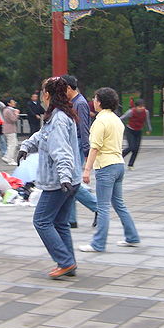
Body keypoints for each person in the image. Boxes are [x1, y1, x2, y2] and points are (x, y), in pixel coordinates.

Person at [17, 77, 81, 279]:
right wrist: (26, 146)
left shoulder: (59, 119)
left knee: (42, 221)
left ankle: (66, 261)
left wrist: (64, 178)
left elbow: (62, 151)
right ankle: (68, 262)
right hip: (69, 178)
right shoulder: (57, 116)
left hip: (59, 181)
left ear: (47, 94)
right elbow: (42, 136)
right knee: (60, 222)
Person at [79, 87, 140, 252]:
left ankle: (98, 244)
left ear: (100, 102)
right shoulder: (116, 119)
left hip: (106, 166)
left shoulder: (100, 121)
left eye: (95, 98)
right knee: (119, 204)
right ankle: (132, 236)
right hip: (119, 164)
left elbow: (95, 148)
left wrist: (86, 170)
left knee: (103, 206)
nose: (93, 101)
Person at [61, 75, 98, 228]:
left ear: (69, 88)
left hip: (76, 144)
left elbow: (84, 128)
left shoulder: (80, 103)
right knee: (69, 182)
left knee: (73, 183)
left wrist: (85, 150)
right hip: (71, 144)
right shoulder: (73, 102)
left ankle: (98, 207)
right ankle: (71, 219)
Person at [120, 98, 152, 169]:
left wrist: (149, 129)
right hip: (130, 130)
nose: (142, 108)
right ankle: (120, 156)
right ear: (136, 107)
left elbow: (147, 121)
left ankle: (131, 164)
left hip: (138, 131)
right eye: (140, 107)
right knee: (131, 147)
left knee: (136, 148)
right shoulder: (131, 112)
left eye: (143, 106)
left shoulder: (146, 112)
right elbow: (122, 118)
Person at [2, 98, 20, 165]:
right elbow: (13, 119)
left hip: (8, 129)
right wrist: (16, 114)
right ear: (9, 103)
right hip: (10, 129)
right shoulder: (9, 110)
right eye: (13, 102)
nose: (14, 102)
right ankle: (9, 159)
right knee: (12, 145)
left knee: (12, 144)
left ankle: (7, 156)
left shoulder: (6, 110)